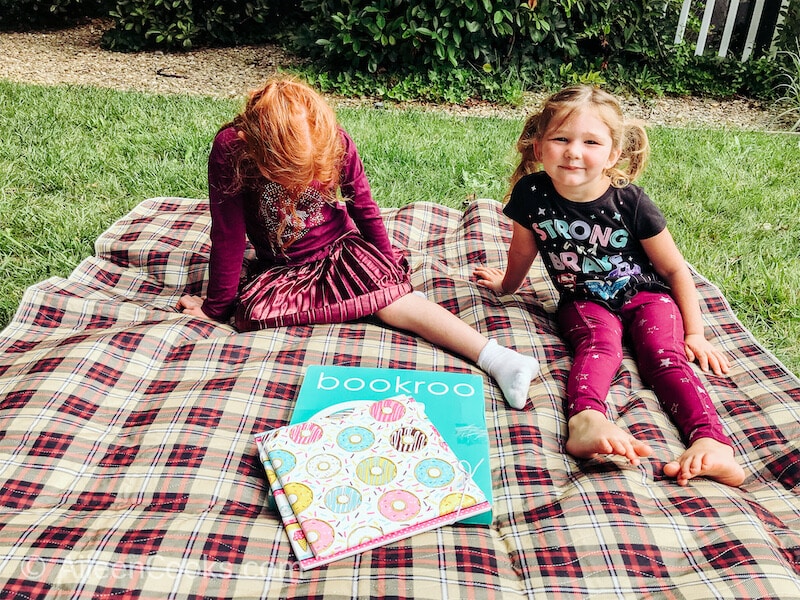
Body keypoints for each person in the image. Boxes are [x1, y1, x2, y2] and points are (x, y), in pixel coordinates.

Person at [178, 76, 540, 409]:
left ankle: (500, 359)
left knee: (394, 305)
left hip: (339, 252)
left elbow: (364, 207)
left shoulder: (335, 140)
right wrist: (216, 307)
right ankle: (370, 302)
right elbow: (228, 234)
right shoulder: (231, 148)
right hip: (284, 270)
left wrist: (388, 267)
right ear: (252, 146)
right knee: (252, 313)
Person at [474, 85, 745, 487]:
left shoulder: (630, 201)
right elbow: (522, 252)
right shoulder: (531, 195)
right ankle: (586, 420)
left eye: (591, 141)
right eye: (560, 139)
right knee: (599, 347)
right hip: (583, 299)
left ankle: (712, 442)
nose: (573, 151)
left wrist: (696, 333)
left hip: (646, 295)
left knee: (664, 358)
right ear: (538, 146)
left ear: (613, 154)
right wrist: (507, 285)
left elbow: (674, 270)